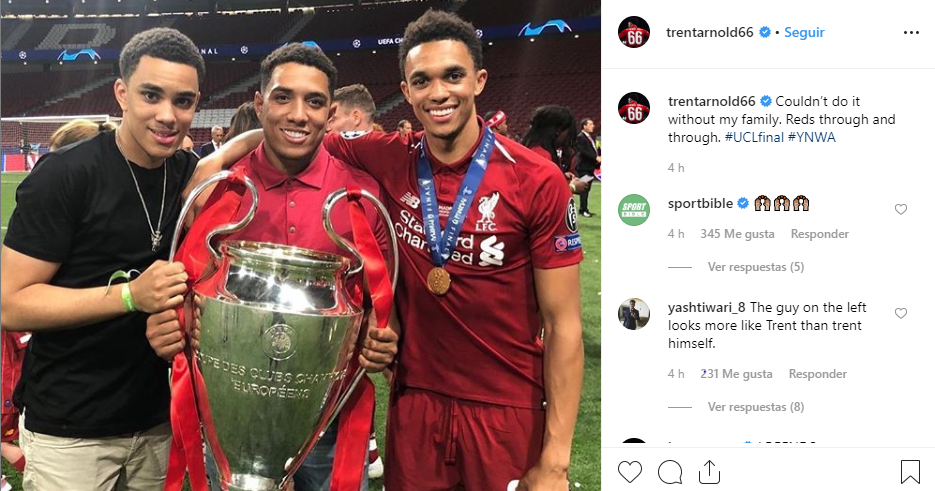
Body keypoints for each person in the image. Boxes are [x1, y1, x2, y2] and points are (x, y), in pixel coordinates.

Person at [193, 10, 583, 491]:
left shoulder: (536, 179)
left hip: (504, 403)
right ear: (406, 89)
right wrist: (220, 154)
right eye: (422, 80)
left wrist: (556, 460)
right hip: (414, 401)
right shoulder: (388, 156)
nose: (438, 93)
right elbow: (295, 130)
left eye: (453, 76)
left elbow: (564, 325)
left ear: (479, 81)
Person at [146, 43, 398, 491]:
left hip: (329, 419)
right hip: (232, 414)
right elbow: (184, 287)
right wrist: (170, 323)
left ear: (330, 112)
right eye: (283, 97)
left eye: (314, 102)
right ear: (260, 104)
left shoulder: (360, 196)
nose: (298, 114)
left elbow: (381, 305)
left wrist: (380, 338)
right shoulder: (219, 189)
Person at [0, 27, 203, 490]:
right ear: (122, 94)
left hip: (158, 420)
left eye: (184, 101)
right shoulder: (66, 175)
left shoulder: (189, 175)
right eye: (151, 95)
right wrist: (131, 296)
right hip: (70, 428)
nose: (168, 115)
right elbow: (9, 303)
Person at [521, 105, 587, 194]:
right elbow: (541, 194)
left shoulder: (535, 149)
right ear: (558, 130)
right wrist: (572, 188)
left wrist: (560, 176)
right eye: (567, 131)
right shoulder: (541, 155)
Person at [574, 118, 600, 218]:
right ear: (584, 126)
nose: (593, 126)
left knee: (587, 189)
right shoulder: (580, 137)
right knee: (584, 189)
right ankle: (582, 210)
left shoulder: (589, 137)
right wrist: (595, 157)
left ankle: (585, 209)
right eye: (590, 124)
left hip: (589, 167)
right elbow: (582, 151)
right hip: (583, 167)